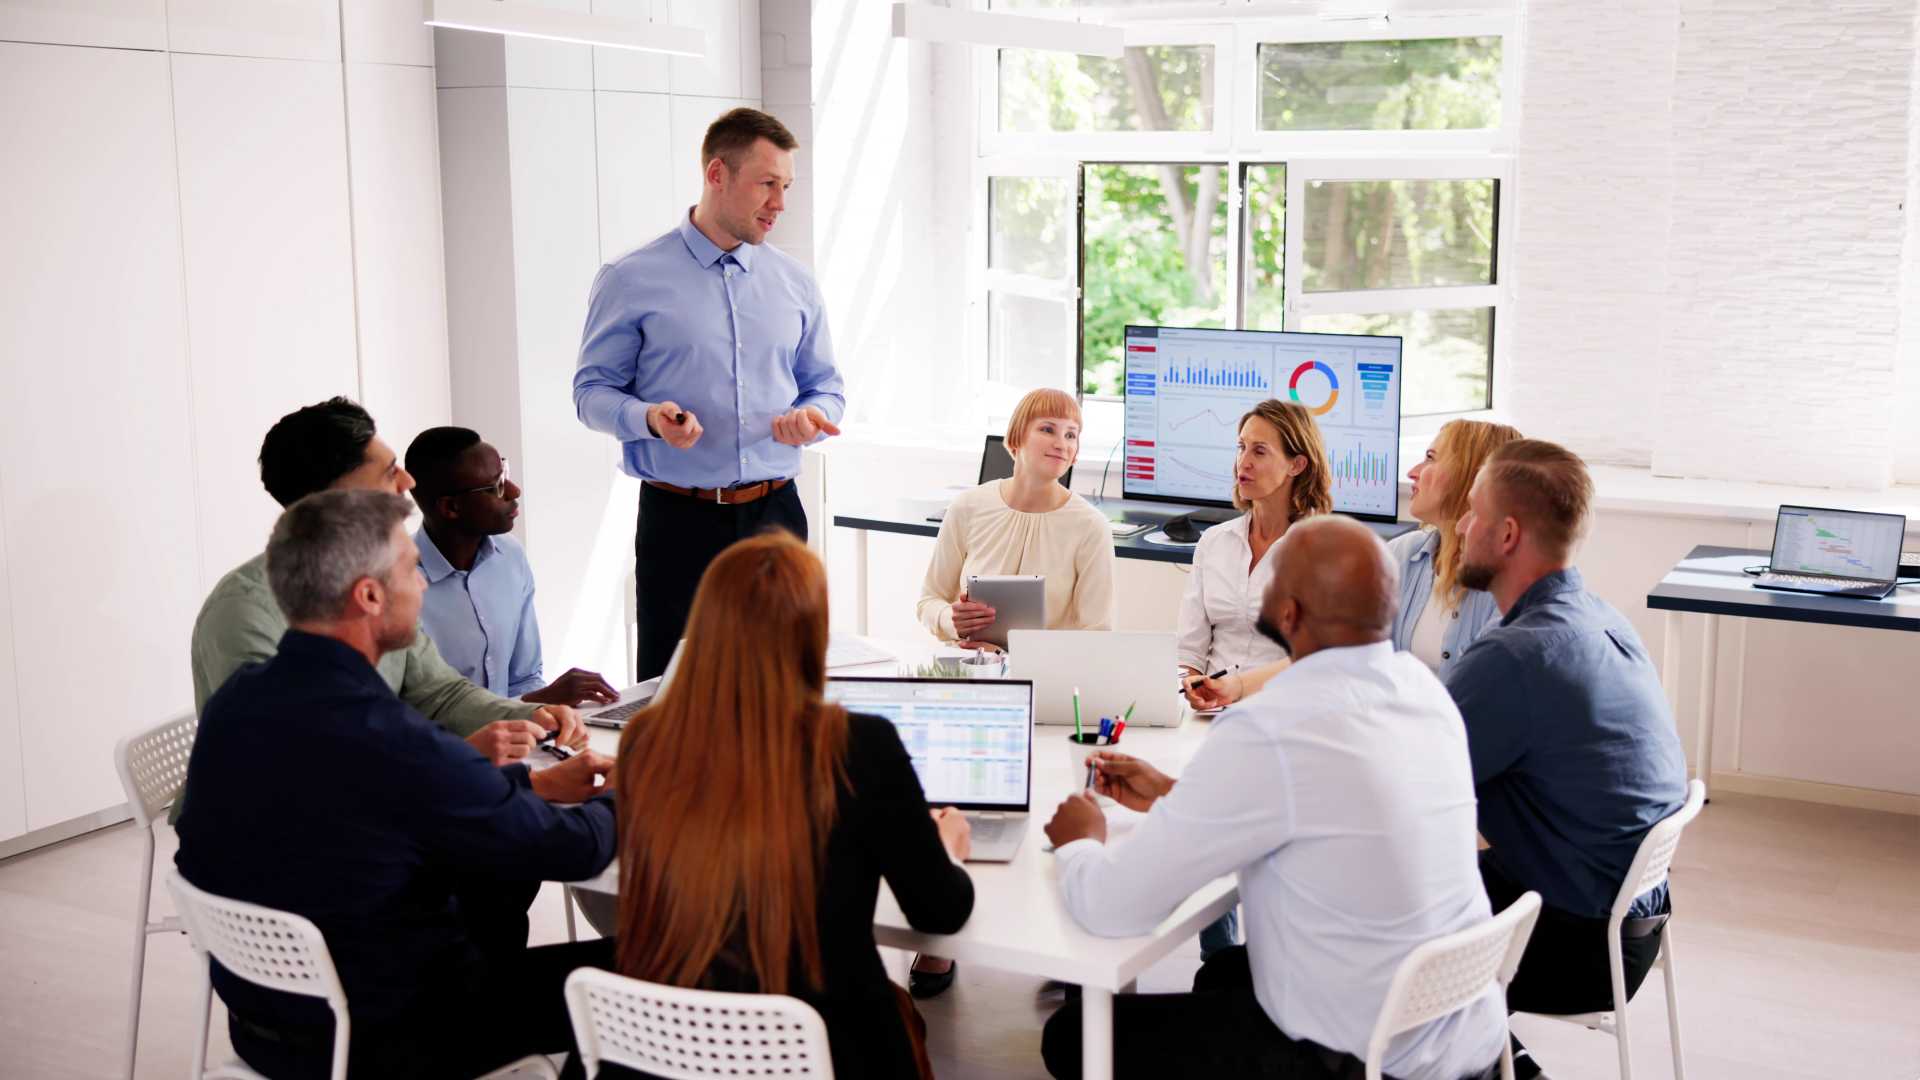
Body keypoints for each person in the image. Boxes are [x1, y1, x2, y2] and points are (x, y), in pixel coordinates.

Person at [1038, 516, 1504, 1080]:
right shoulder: (1423, 693)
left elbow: (1111, 907)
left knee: (1073, 1036)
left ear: (1289, 613)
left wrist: (1078, 844)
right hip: (1457, 1033)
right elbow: (1321, 808)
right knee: (1226, 973)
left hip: (1363, 1056)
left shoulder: (1272, 725)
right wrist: (1175, 795)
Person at [175, 490, 619, 1079]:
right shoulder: (387, 737)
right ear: (370, 595)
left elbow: (380, 809)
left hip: (270, 1028)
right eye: (412, 569)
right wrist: (634, 789)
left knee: (486, 895)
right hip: (395, 1037)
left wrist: (517, 790)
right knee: (653, 972)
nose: (424, 586)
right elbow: (573, 848)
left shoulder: (237, 701)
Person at [608, 532, 973, 1080]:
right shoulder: (859, 743)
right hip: (824, 1043)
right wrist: (948, 848)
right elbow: (939, 914)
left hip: (674, 1043)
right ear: (813, 636)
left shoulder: (646, 740)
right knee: (901, 1012)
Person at [187, 399, 584, 800]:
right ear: (336, 496)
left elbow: (442, 694)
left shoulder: (379, 578)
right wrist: (455, 760)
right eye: (389, 471)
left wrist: (531, 715)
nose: (409, 483)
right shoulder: (241, 611)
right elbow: (292, 765)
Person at [1442, 438, 1688, 1079]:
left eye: (1472, 511)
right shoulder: (1600, 620)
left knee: (1368, 946)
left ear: (1507, 533)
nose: (1461, 527)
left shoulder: (1518, 657)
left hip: (1574, 944)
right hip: (1629, 927)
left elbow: (1401, 786)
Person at [575, 106, 845, 682]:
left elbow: (827, 387)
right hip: (680, 518)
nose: (780, 203)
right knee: (672, 691)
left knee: (786, 682)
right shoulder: (630, 277)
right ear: (717, 174)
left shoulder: (795, 282)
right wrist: (648, 418)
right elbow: (591, 392)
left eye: (787, 187)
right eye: (767, 184)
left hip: (776, 513)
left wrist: (812, 415)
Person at [1186, 418, 1521, 711]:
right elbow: (1334, 651)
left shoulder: (1507, 585)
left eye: (1430, 458)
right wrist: (1238, 687)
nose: (1412, 472)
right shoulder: (1403, 555)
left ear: (1471, 476)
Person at [1171, 399, 1331, 958]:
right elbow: (1188, 648)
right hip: (1208, 718)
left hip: (1280, 724)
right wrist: (1191, 682)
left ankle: (1242, 965)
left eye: (1260, 450)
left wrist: (1237, 691)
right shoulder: (1216, 542)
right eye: (1240, 447)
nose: (1243, 461)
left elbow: (1317, 661)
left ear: (1296, 465)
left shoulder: (1320, 548)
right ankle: (1218, 963)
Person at [403, 426, 619, 707]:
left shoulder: (510, 556)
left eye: (505, 473)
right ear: (451, 508)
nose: (514, 492)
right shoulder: (398, 586)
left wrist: (546, 709)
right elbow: (422, 712)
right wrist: (542, 701)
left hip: (518, 738)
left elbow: (525, 677)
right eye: (496, 487)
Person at [917, 387, 1116, 647]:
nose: (1061, 444)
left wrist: (1008, 660)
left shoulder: (1090, 526)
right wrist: (949, 619)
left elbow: (1097, 634)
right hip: (970, 669)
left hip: (1046, 675)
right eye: (1047, 429)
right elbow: (928, 601)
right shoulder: (967, 507)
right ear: (1016, 437)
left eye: (1071, 435)